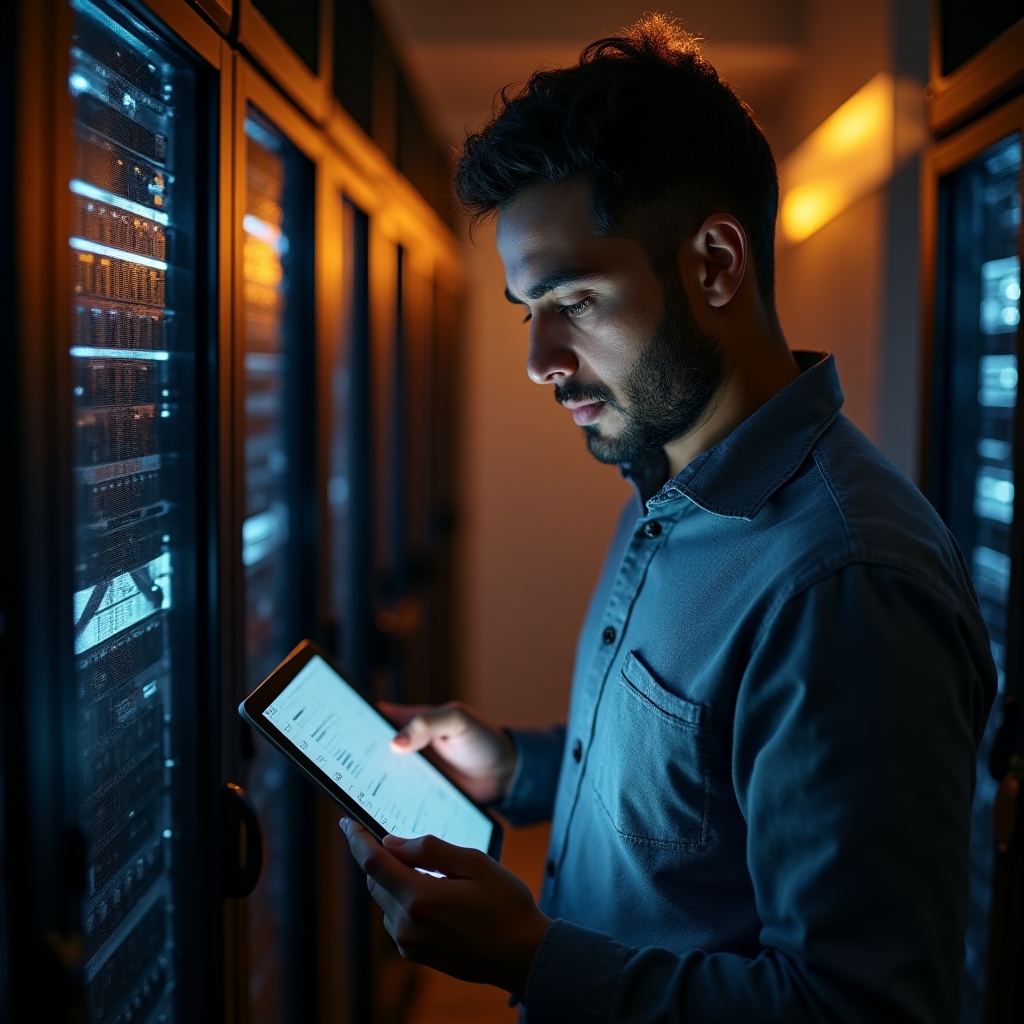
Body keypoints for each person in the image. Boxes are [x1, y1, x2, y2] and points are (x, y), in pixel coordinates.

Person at [340, 15, 996, 1022]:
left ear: (716, 264)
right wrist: (516, 766)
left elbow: (855, 1008)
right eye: (527, 310)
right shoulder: (666, 483)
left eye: (573, 300)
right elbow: (695, 798)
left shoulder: (847, 583)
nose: (538, 361)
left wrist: (532, 960)